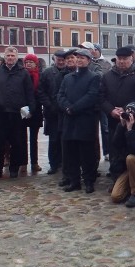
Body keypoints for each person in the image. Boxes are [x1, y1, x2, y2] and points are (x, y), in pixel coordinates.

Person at [100, 46, 135, 181]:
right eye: (119, 59)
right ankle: (116, 179)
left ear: (131, 59)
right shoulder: (107, 76)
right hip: (113, 120)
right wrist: (111, 110)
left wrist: (125, 108)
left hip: (132, 120)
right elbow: (101, 97)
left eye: (125, 59)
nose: (121, 61)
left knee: (130, 149)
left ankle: (134, 180)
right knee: (114, 149)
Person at [57, 49, 101, 193]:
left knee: (87, 153)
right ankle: (74, 180)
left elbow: (91, 96)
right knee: (71, 153)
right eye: (79, 58)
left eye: (84, 58)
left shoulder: (94, 77)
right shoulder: (68, 78)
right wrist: (67, 107)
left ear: (89, 61)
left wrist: (74, 108)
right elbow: (60, 95)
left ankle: (88, 181)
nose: (80, 60)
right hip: (69, 120)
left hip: (85, 120)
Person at [0, 46, 35, 180]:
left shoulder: (23, 72)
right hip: (1, 112)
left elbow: (29, 92)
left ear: (16, 57)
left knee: (17, 142)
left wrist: (31, 108)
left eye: (12, 56)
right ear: (4, 57)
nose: (10, 58)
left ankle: (14, 168)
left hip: (17, 113)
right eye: (8, 56)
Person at [37, 51, 69, 175]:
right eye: (58, 59)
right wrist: (49, 105)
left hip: (65, 112)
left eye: (63, 60)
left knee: (65, 139)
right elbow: (41, 91)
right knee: (54, 139)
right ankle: (53, 164)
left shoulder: (69, 72)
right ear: (54, 59)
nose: (60, 62)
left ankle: (64, 162)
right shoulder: (47, 73)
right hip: (52, 112)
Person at [23, 53, 44, 172]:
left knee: (33, 139)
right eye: (27, 62)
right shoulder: (21, 75)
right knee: (21, 138)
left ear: (36, 63)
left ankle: (34, 162)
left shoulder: (39, 76)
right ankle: (23, 161)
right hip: (23, 110)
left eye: (31, 62)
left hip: (36, 111)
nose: (29, 64)